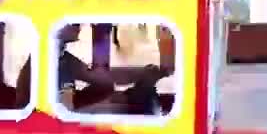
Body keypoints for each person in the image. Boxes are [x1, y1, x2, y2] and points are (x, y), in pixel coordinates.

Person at [15, 24, 170, 115]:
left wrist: (145, 73)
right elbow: (64, 117)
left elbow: (101, 76)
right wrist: (115, 106)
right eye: (73, 22)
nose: (80, 25)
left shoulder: (62, 58)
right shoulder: (45, 59)